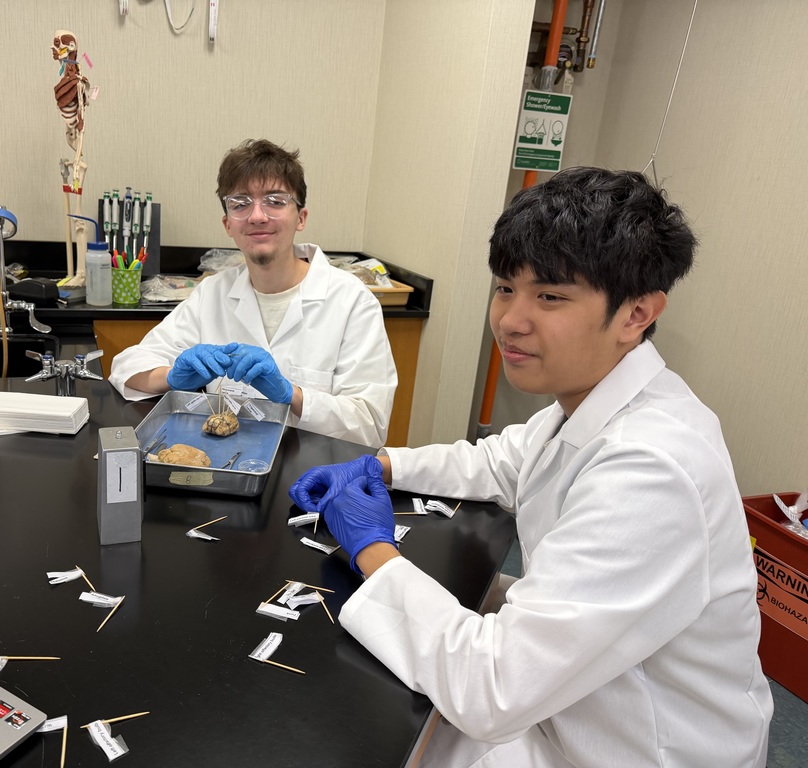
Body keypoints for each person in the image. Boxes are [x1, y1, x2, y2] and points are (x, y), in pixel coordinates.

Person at [289, 167, 772, 767]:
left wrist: (370, 548)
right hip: (573, 706)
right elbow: (498, 459)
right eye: (504, 288)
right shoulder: (591, 403)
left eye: (550, 296)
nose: (511, 320)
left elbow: (491, 689)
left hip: (637, 748)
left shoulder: (654, 468)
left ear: (637, 313)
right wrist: (379, 464)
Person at [109, 139, 396, 448]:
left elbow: (371, 424)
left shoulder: (352, 300)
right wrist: (172, 377)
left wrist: (292, 395)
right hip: (224, 467)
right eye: (241, 203)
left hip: (314, 478)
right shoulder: (212, 293)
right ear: (228, 224)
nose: (257, 216)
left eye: (275, 200)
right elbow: (127, 366)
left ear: (301, 217)